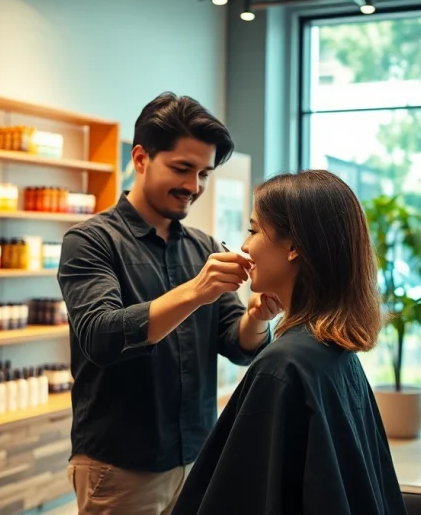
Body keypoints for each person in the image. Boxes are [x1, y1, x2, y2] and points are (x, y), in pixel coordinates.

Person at [57, 93, 282, 515]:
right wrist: (194, 291)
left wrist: (256, 317)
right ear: (141, 158)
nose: (193, 187)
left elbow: (237, 345)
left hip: (198, 456)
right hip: (120, 466)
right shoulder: (90, 241)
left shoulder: (203, 246)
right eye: (182, 168)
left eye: (204, 174)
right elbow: (101, 336)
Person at [175, 170, 407, 515]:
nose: (244, 246)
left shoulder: (283, 365)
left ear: (294, 246)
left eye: (253, 231)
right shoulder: (332, 351)